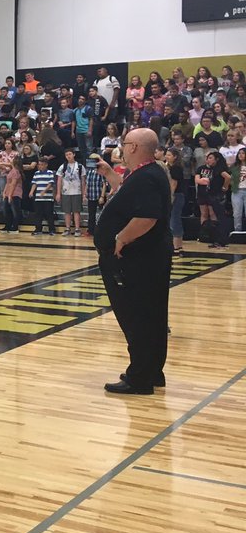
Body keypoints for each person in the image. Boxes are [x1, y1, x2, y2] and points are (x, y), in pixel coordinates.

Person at [93, 128, 171, 394]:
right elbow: (130, 201)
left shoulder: (145, 178)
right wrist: (111, 176)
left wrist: (120, 238)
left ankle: (139, 377)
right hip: (148, 258)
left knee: (136, 316)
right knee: (152, 315)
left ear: (135, 147)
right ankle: (151, 370)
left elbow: (147, 216)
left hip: (137, 260)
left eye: (124, 144)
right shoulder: (149, 172)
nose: (122, 149)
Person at [195, 151, 232, 249]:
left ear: (217, 159)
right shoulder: (213, 169)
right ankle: (217, 239)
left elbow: (228, 177)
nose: (209, 160)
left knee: (220, 218)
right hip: (213, 195)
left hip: (218, 196)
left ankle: (222, 240)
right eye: (208, 158)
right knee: (218, 218)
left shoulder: (219, 169)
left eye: (211, 158)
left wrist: (225, 187)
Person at [56, 149, 85, 236]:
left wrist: (84, 194)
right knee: (67, 211)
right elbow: (59, 181)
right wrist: (58, 193)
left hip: (77, 191)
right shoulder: (62, 166)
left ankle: (77, 229)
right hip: (66, 191)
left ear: (74, 154)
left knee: (76, 211)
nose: (68, 156)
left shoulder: (79, 166)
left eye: (70, 154)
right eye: (66, 155)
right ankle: (67, 228)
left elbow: (83, 181)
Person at [29, 156, 58, 235]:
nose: (40, 166)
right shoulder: (36, 173)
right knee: (38, 214)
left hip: (48, 198)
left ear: (46, 165)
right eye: (39, 164)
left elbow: (51, 183)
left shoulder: (50, 173)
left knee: (49, 214)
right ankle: (38, 229)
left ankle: (52, 230)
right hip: (38, 198)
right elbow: (34, 183)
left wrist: (44, 191)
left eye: (42, 164)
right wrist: (31, 192)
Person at [165, 148, 186, 255]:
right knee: (173, 219)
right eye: (166, 155)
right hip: (175, 195)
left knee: (175, 219)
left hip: (176, 195)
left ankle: (177, 244)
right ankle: (175, 244)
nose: (166, 156)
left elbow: (174, 184)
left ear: (175, 157)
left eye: (169, 155)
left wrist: (171, 197)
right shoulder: (169, 167)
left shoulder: (176, 168)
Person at [1, 155, 23, 234]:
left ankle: (15, 227)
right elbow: (8, 183)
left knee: (15, 211)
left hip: (15, 193)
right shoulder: (11, 170)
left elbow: (13, 184)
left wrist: (10, 195)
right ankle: (8, 225)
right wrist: (4, 192)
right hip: (8, 193)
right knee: (7, 210)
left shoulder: (16, 171)